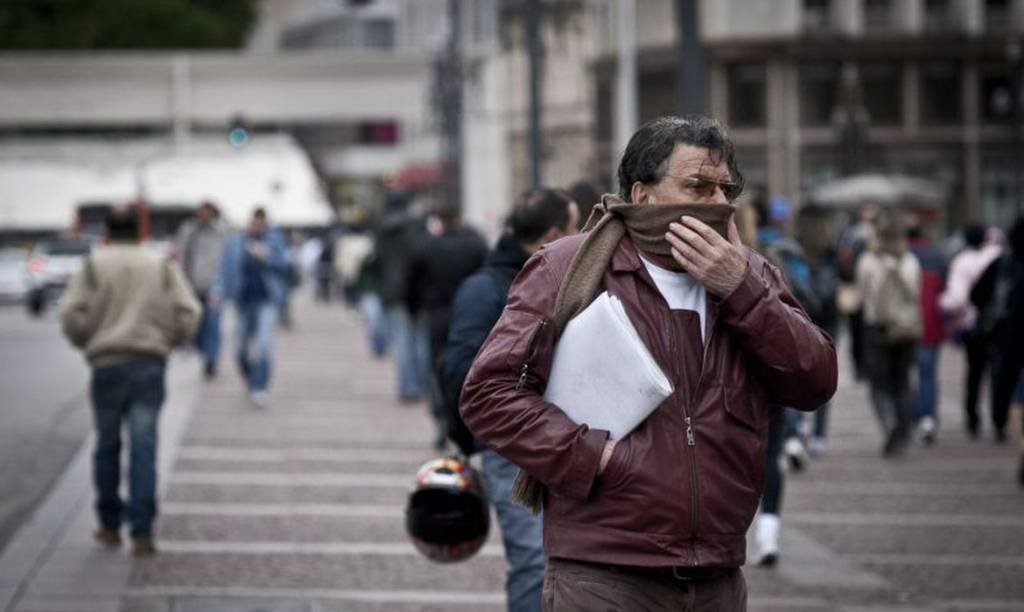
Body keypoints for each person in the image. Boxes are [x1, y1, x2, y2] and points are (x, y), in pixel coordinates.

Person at [460, 116, 837, 611]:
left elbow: (815, 379)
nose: (719, 203)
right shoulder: (567, 267)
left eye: (727, 189)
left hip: (718, 575)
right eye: (697, 186)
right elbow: (488, 394)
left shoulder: (752, 272)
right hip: (604, 573)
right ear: (642, 194)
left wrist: (742, 291)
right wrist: (594, 457)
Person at [441, 188, 579, 612]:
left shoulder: (562, 279)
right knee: (535, 564)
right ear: (553, 235)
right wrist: (471, 439)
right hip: (512, 445)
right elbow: (459, 371)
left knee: (566, 565)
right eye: (577, 230)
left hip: (564, 440)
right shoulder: (487, 289)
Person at [59, 207, 201, 556]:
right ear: (139, 231)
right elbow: (190, 311)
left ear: (107, 231)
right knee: (145, 446)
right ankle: (142, 529)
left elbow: (70, 312)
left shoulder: (94, 265)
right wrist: (171, 341)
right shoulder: (159, 265)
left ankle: (109, 525)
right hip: (149, 363)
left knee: (107, 444)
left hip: (107, 363)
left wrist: (86, 341)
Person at [406, 204, 488, 448]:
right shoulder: (476, 246)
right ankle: (464, 419)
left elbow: (413, 282)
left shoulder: (428, 247)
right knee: (468, 367)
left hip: (437, 314)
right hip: (469, 313)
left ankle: (442, 417)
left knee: (438, 370)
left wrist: (414, 308)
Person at [211, 208, 292, 407]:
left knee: (264, 345)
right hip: (242, 301)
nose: (256, 226)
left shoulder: (274, 241)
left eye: (261, 224)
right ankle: (250, 379)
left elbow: (286, 265)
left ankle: (259, 385)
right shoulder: (236, 241)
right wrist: (218, 290)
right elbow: (224, 268)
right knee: (239, 348)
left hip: (267, 300)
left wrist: (266, 256)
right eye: (254, 223)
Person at [856, 211, 921, 457]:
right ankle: (903, 433)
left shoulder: (867, 261)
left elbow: (860, 296)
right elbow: (915, 294)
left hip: (877, 328)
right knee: (903, 382)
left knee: (879, 384)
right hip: (906, 329)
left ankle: (888, 421)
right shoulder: (911, 261)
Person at [940, 225, 1003, 438]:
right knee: (998, 373)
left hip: (972, 326)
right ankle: (999, 420)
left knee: (974, 373)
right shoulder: (997, 256)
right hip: (999, 324)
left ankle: (972, 418)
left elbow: (955, 298)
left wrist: (944, 307)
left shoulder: (962, 261)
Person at [971, 217, 1024, 447]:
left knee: (1001, 375)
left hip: (1004, 332)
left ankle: (1001, 421)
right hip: (1006, 333)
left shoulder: (1004, 264)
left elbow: (976, 295)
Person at [373, 193, 431, 402]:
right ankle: (423, 384)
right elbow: (425, 255)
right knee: (420, 340)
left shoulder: (381, 228)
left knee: (401, 341)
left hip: (393, 291)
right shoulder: (417, 225)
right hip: (418, 290)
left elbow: (377, 260)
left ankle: (408, 387)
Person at [175, 201, 228, 379]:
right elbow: (180, 254)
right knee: (196, 324)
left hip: (214, 286)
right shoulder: (188, 230)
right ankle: (202, 351)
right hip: (191, 285)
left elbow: (225, 260)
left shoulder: (221, 232)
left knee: (213, 324)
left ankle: (211, 360)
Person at [908, 225, 946, 445]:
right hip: (932, 325)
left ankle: (914, 415)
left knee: (907, 374)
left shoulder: (902, 258)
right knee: (928, 373)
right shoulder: (936, 258)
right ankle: (928, 417)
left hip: (906, 325)